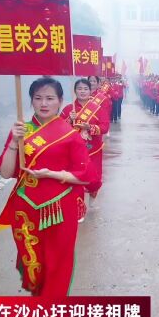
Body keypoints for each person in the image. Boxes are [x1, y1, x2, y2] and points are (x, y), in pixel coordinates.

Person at [0, 77, 95, 317]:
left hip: (59, 211)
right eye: (38, 98)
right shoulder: (21, 130)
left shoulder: (70, 134)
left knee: (57, 268)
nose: (44, 103)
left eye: (50, 98)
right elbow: (5, 172)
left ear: (60, 101)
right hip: (25, 211)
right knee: (34, 266)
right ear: (31, 101)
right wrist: (14, 143)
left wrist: (53, 175)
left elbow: (86, 174)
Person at [60, 78, 110, 221]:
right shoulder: (69, 109)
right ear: (75, 91)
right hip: (74, 151)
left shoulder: (98, 108)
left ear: (90, 91)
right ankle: (79, 209)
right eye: (79, 89)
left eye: (85, 89)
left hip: (93, 149)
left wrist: (90, 128)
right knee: (77, 180)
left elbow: (105, 127)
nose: (82, 91)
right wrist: (69, 120)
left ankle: (93, 197)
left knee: (93, 179)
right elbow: (58, 129)